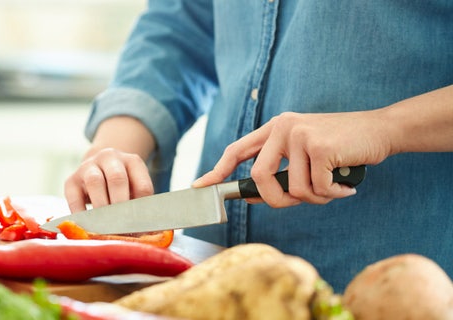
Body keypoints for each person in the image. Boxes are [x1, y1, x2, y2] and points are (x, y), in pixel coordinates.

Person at [64, 0, 453, 292]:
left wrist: (384, 128)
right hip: (212, 279)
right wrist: (114, 147)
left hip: (392, 288)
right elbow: (182, 25)